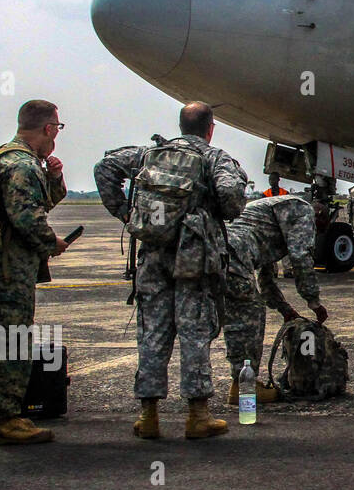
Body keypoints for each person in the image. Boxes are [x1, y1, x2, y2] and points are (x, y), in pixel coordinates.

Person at [94, 102, 247, 439]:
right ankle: (197, 416)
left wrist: (125, 213)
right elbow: (232, 198)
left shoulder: (148, 153)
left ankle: (148, 417)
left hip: (152, 255)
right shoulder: (214, 158)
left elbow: (105, 167)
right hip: (194, 260)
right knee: (194, 333)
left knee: (152, 333)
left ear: (181, 126)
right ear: (210, 128)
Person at [0, 100, 68, 446]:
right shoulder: (23, 165)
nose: (57, 134)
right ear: (48, 128)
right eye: (58, 127)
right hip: (7, 272)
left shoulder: (1, 158)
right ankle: (5, 420)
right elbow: (27, 218)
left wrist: (54, 179)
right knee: (9, 344)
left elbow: (24, 206)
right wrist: (50, 241)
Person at [222, 193, 328, 406]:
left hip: (220, 248)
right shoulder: (303, 210)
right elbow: (300, 257)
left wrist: (285, 310)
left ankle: (240, 383)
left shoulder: (268, 219)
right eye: (318, 228)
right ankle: (243, 386)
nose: (315, 234)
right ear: (319, 214)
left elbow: (266, 280)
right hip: (236, 252)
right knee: (250, 316)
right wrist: (313, 301)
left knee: (238, 314)